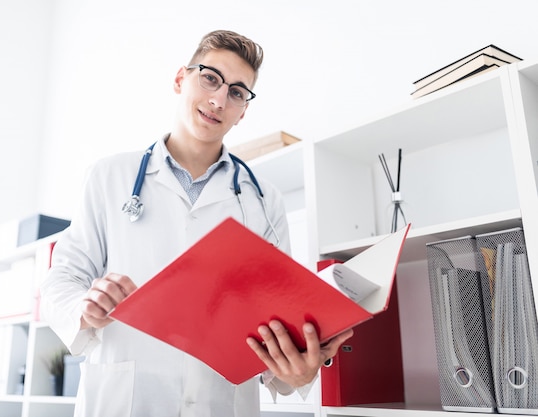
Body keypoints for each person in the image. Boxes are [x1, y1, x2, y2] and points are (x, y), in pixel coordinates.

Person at [40, 29, 353, 417]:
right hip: (126, 400)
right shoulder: (108, 176)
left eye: (237, 92)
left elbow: (275, 325)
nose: (219, 99)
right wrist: (85, 308)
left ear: (243, 111)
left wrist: (299, 372)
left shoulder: (262, 198)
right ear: (180, 79)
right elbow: (60, 281)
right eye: (210, 78)